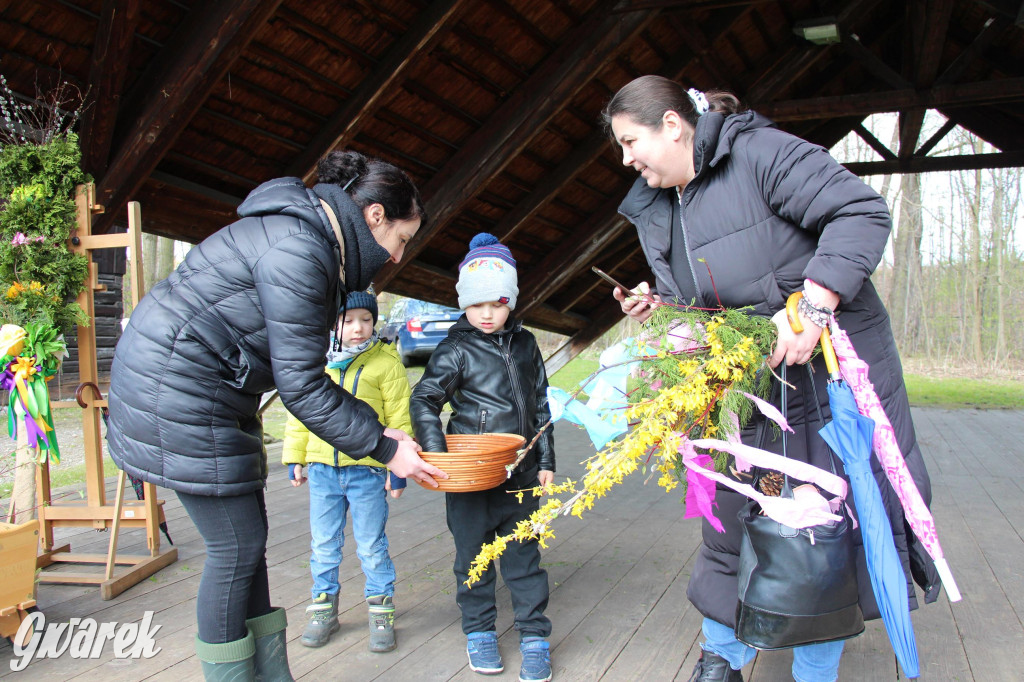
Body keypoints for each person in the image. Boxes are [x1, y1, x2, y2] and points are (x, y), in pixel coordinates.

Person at [601, 75, 939, 682]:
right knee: (731, 520)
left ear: (672, 126)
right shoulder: (660, 203)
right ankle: (724, 656)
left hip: (823, 386)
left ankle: (814, 670)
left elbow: (860, 212)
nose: (626, 159)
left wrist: (813, 304)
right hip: (743, 390)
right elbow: (705, 300)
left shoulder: (761, 155)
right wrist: (660, 304)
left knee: (819, 528)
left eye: (631, 141)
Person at [106, 150, 447, 681]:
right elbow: (303, 386)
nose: (398, 257)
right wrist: (383, 446)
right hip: (174, 391)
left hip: (211, 392)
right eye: (401, 239)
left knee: (247, 544)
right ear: (374, 215)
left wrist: (379, 431)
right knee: (234, 547)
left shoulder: (307, 237)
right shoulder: (301, 249)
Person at [409, 233, 556, 682]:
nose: (486, 314)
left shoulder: (528, 344)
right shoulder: (455, 348)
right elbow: (424, 400)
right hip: (471, 478)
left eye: (495, 303)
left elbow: (543, 403)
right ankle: (479, 631)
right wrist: (439, 457)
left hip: (523, 473)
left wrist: (547, 459)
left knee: (524, 557)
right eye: (475, 306)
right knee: (472, 558)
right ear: (463, 306)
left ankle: (534, 635)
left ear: (510, 299)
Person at [283, 290, 410, 653]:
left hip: (367, 472)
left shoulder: (386, 364)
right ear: (331, 324)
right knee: (323, 545)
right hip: (323, 471)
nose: (358, 328)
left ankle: (380, 608)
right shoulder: (316, 364)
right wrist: (296, 456)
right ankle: (324, 609)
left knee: (371, 545)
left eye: (366, 320)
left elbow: (400, 419)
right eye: (348, 320)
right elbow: (300, 414)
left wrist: (397, 469)